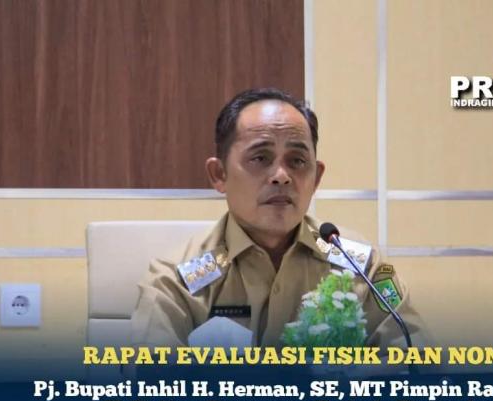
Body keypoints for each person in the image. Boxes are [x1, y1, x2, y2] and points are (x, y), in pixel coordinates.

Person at [131, 88, 432, 351]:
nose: (281, 176)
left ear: (316, 178)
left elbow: (419, 358)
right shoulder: (176, 280)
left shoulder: (360, 266)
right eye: (260, 158)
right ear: (219, 174)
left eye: (297, 161)